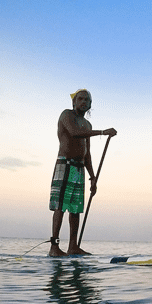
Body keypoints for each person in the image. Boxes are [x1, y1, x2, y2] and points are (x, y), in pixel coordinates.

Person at [50, 89, 116, 256]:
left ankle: (73, 246)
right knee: (60, 206)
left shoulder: (87, 125)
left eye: (87, 100)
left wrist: (92, 177)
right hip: (65, 165)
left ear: (90, 105)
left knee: (75, 209)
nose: (83, 102)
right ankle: (54, 247)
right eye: (80, 99)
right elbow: (74, 133)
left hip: (79, 168)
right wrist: (102, 132)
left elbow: (87, 153)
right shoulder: (66, 115)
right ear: (74, 102)